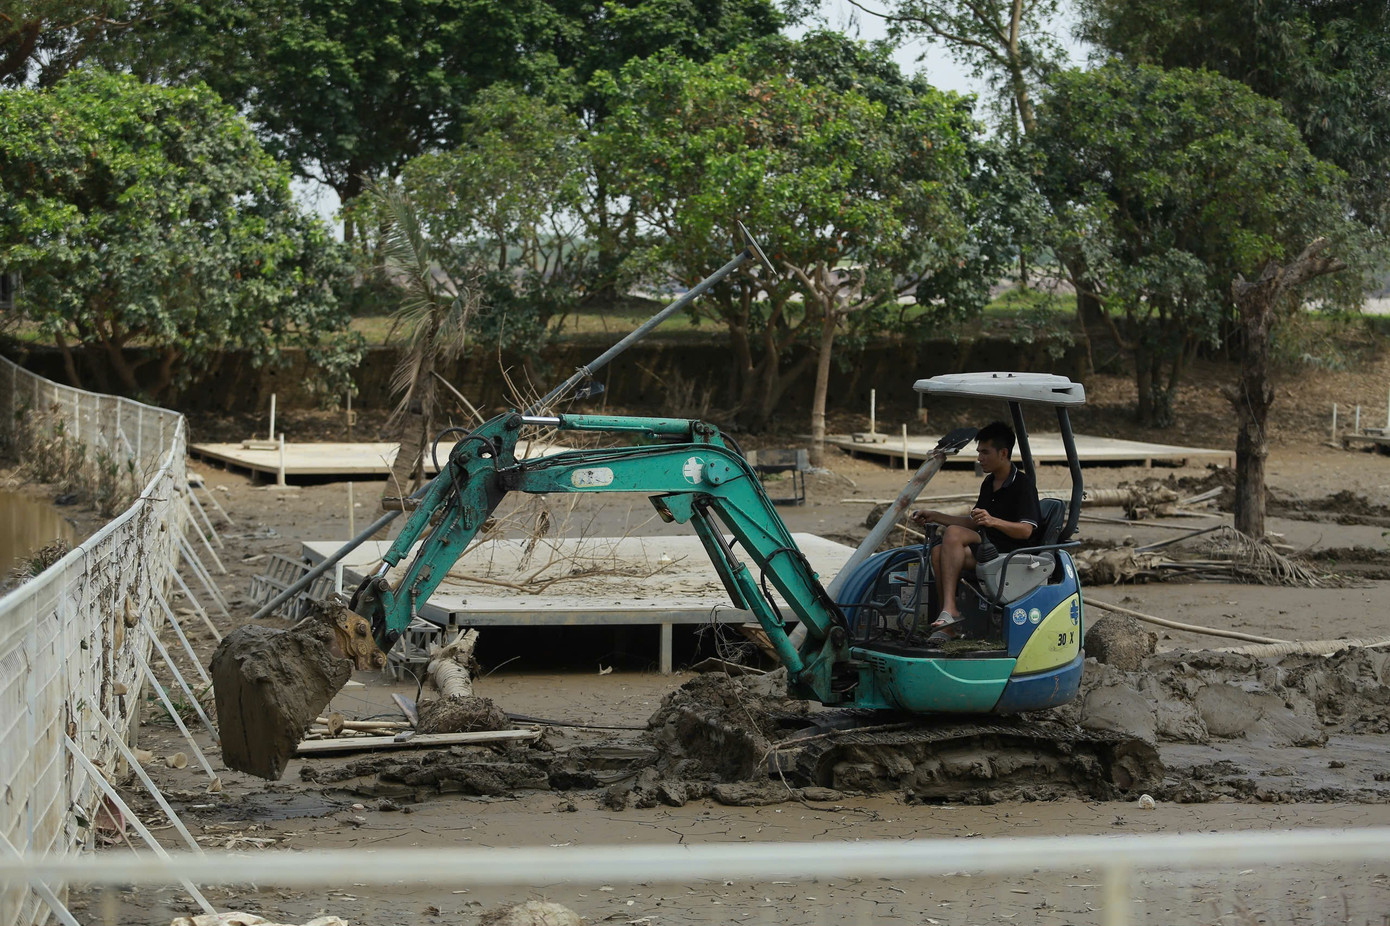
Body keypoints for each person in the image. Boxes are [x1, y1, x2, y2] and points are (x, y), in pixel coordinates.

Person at [909, 421, 1042, 641]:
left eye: (985, 452)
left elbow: (1026, 531)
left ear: (1003, 453)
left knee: (953, 533)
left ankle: (950, 609)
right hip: (987, 548)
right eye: (979, 452)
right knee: (937, 552)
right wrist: (935, 515)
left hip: (1010, 554)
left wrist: (993, 521)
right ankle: (948, 622)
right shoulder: (989, 483)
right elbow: (973, 522)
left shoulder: (1023, 485)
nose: (979, 458)